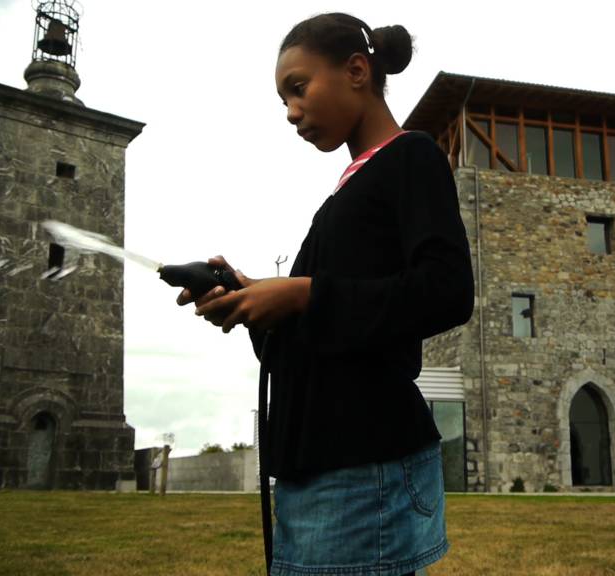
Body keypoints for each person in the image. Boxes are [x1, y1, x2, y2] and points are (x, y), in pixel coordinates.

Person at [176, 13, 474, 576]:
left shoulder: (412, 158)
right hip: (321, 470)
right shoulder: (343, 196)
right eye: (283, 99)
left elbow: (448, 291)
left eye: (298, 87)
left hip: (362, 471)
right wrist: (250, 304)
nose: (291, 112)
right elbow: (323, 331)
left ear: (357, 71)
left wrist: (302, 296)